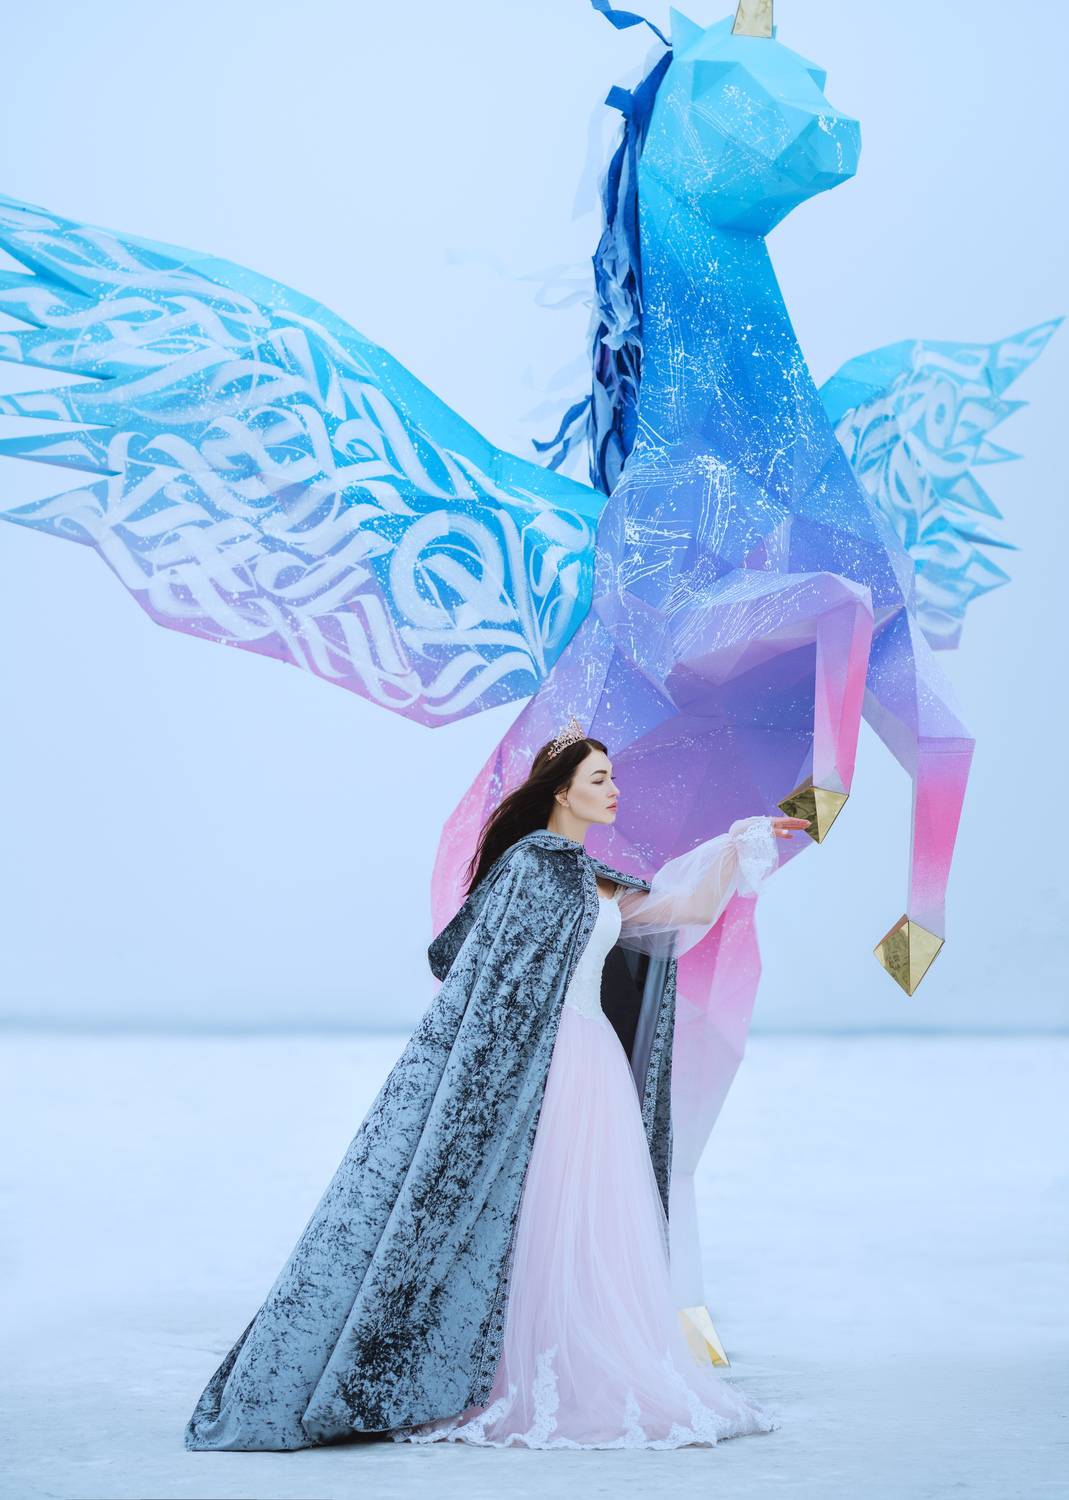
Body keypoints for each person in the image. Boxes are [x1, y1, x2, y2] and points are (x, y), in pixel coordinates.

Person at [184, 717, 807, 1453]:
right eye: (598, 779)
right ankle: (503, 1369)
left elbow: (685, 910)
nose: (614, 790)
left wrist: (741, 843)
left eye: (612, 777)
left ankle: (576, 1359)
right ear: (561, 792)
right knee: (531, 1211)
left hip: (594, 1065)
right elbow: (494, 992)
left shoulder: (591, 877)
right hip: (543, 1067)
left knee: (588, 1220)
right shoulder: (532, 868)